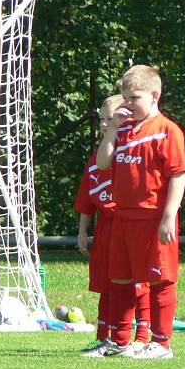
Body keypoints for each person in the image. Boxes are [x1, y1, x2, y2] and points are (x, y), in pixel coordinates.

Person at [84, 64, 185, 359]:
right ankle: (119, 342)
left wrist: (169, 216)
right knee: (119, 280)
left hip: (153, 218)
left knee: (159, 279)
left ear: (154, 96)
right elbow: (103, 164)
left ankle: (161, 343)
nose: (128, 104)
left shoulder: (168, 131)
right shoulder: (124, 130)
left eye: (134, 98)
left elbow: (177, 175)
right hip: (122, 217)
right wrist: (113, 130)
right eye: (125, 97)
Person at [74, 94, 150, 352]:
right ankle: (105, 336)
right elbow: (87, 195)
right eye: (103, 119)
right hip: (106, 228)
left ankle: (141, 337)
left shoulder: (132, 147)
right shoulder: (99, 156)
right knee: (107, 283)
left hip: (129, 223)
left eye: (111, 118)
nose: (106, 124)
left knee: (138, 283)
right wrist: (83, 230)